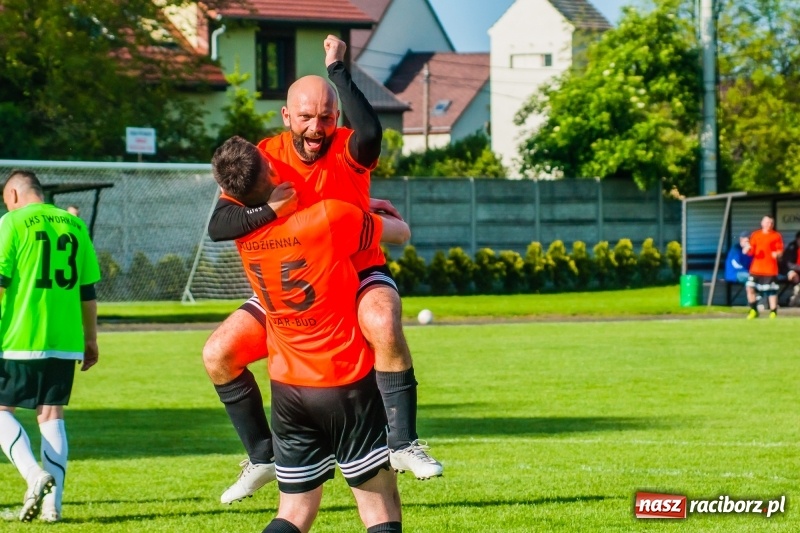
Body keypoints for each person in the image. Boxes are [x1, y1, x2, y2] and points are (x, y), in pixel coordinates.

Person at [203, 35, 441, 504]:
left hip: (355, 275)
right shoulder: (266, 158)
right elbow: (220, 224)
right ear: (286, 117)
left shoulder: (347, 147)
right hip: (296, 289)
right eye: (307, 117)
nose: (317, 128)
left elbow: (372, 133)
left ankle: (403, 441)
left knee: (382, 320)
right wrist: (270, 211)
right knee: (218, 354)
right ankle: (263, 457)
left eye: (327, 117)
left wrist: (337, 71)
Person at [212, 136, 405, 533]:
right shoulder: (331, 219)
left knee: (294, 514)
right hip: (342, 381)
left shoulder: (245, 235)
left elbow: (228, 219)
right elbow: (400, 235)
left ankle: (259, 455)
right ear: (270, 169)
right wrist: (371, 209)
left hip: (287, 389)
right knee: (379, 505)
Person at [0, 170, 101, 523]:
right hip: (66, 338)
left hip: (18, 337)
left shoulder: (11, 222)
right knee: (51, 415)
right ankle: (51, 508)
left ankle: (33, 475)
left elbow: (0, 281)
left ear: (13, 195)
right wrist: (90, 339)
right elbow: (87, 292)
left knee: (0, 411)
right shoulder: (75, 226)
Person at [745, 215, 783, 319]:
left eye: (771, 223)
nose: (769, 225)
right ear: (762, 223)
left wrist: (777, 254)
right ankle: (753, 310)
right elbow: (751, 251)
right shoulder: (756, 235)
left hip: (770, 269)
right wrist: (747, 249)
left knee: (771, 291)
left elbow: (780, 250)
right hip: (756, 269)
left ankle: (773, 312)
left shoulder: (776, 236)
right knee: (749, 287)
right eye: (767, 222)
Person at [779, 230, 800, 306]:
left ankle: (794, 301)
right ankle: (792, 302)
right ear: (797, 239)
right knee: (794, 276)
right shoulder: (791, 248)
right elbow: (788, 264)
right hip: (787, 271)